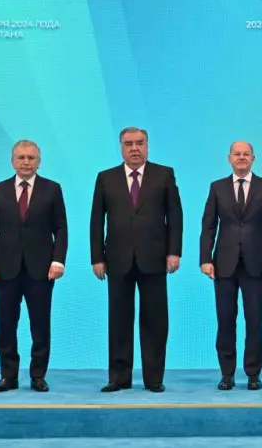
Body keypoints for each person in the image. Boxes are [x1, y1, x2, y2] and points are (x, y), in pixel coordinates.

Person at [90, 127, 183, 393]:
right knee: (119, 320)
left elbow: (175, 216)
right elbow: (96, 220)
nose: (134, 148)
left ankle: (153, 378)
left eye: (140, 143)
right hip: (117, 259)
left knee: (155, 321)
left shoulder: (164, 175)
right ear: (121, 147)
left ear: (147, 146)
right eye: (129, 144)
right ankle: (119, 378)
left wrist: (174, 252)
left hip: (155, 259)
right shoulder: (106, 178)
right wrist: (97, 257)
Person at [0, 140, 67, 393]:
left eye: (31, 158)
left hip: (41, 270)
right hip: (5, 269)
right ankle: (8, 376)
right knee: (6, 324)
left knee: (40, 325)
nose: (26, 162)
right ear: (12, 161)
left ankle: (38, 375)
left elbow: (61, 228)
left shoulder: (52, 189)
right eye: (21, 157)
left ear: (39, 161)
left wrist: (58, 261)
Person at [200, 141, 262, 391]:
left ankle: (253, 374)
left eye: (246, 154)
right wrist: (205, 258)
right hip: (223, 264)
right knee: (225, 320)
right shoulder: (217, 187)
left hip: (256, 263)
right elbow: (209, 225)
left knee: (254, 320)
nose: (241, 157)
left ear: (253, 158)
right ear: (229, 158)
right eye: (237, 154)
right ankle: (227, 374)